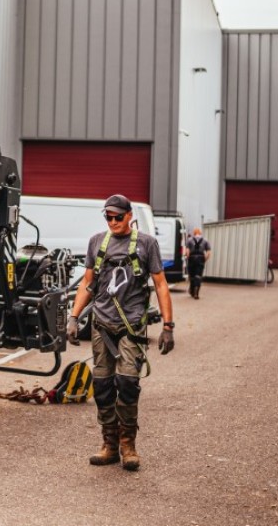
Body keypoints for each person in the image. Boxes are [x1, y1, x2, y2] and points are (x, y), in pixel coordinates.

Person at [65, 194, 174, 471]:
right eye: (108, 217)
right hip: (102, 324)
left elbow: (160, 285)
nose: (112, 221)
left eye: (117, 216)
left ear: (129, 217)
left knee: (127, 385)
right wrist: (74, 317)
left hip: (131, 326)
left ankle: (129, 445)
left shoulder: (147, 244)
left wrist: (168, 327)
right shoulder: (97, 242)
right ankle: (110, 445)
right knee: (102, 387)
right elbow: (88, 284)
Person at [185, 227, 212, 299]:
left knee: (192, 276)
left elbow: (187, 252)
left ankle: (192, 290)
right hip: (200, 258)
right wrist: (204, 259)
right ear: (200, 233)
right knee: (198, 275)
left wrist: (188, 258)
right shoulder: (205, 240)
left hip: (192, 258)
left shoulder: (189, 240)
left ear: (194, 233)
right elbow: (208, 252)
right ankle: (196, 290)